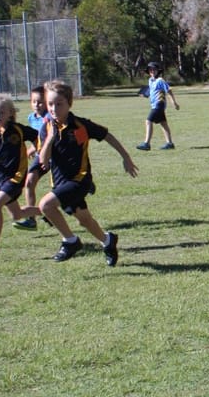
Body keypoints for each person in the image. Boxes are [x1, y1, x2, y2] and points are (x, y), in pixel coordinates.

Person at [37, 80, 139, 265]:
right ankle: (108, 241)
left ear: (69, 104)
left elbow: (107, 135)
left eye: (59, 104)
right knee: (85, 220)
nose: (53, 108)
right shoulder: (46, 129)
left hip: (80, 180)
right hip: (60, 183)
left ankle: (70, 241)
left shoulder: (81, 125)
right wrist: (50, 138)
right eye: (50, 104)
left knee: (45, 205)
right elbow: (43, 161)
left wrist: (126, 157)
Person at [0, 94, 42, 255]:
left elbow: (38, 137)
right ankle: (49, 211)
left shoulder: (17, 130)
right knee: (17, 214)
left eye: (2, 112)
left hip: (16, 178)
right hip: (0, 180)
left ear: (10, 113)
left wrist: (39, 151)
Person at [14, 87, 50, 230]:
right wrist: (34, 149)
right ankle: (31, 220)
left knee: (62, 188)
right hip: (40, 157)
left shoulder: (51, 117)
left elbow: (48, 139)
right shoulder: (31, 117)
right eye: (34, 101)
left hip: (56, 158)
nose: (36, 104)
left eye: (40, 102)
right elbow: (37, 138)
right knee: (29, 182)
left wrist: (34, 148)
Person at [136, 61, 180, 151]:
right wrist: (144, 95)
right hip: (154, 105)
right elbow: (151, 92)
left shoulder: (160, 80)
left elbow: (169, 90)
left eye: (154, 69)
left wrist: (174, 103)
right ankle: (170, 143)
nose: (152, 71)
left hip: (159, 104)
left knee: (148, 121)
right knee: (163, 124)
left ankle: (146, 144)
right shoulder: (150, 81)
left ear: (158, 71)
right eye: (150, 69)